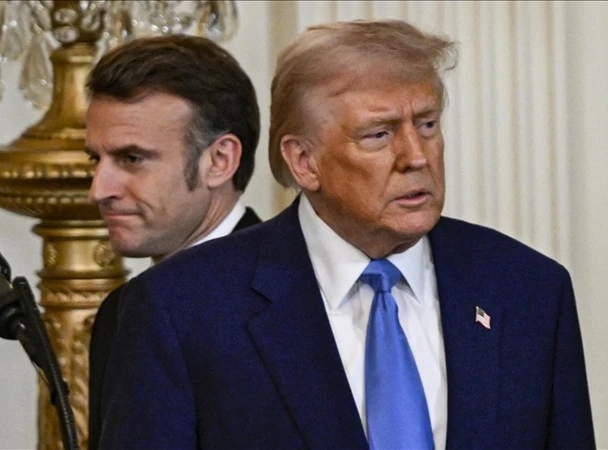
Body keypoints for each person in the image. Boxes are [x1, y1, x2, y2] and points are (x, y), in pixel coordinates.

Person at [98, 20, 595, 449]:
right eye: (379, 134)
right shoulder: (181, 310)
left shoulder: (527, 290)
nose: (416, 156)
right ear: (304, 161)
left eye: (426, 125)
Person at [84, 34, 261, 450]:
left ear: (219, 160)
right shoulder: (123, 311)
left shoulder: (297, 296)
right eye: (96, 159)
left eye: (132, 158)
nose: (99, 190)